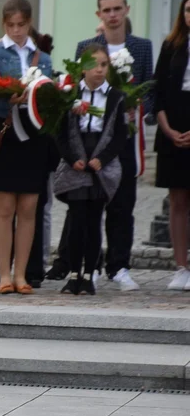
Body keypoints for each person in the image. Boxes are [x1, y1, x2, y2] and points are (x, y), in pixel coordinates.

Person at [49, 0, 154, 291]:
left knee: (122, 204)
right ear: (99, 14)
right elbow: (73, 91)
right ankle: (83, 268)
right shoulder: (87, 47)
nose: (112, 15)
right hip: (86, 142)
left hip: (122, 139)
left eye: (117, 9)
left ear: (126, 10)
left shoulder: (142, 47)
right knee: (84, 209)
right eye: (106, 10)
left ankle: (119, 265)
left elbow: (149, 87)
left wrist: (141, 110)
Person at [0, 0, 55, 295]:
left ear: (29, 23)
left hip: (34, 137)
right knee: (4, 208)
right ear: (3, 24)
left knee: (28, 208)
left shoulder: (42, 57)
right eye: (10, 25)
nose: (16, 30)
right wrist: (6, 99)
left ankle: (22, 273)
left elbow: (48, 95)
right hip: (6, 133)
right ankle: (2, 274)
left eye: (21, 25)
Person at [53, 44, 127, 296]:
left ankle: (88, 275)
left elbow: (119, 135)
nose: (99, 69)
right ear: (82, 68)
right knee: (76, 220)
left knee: (94, 221)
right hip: (77, 160)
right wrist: (72, 158)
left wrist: (103, 159)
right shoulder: (70, 94)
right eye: (93, 65)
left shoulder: (116, 97)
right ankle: (73, 273)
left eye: (104, 65)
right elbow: (60, 133)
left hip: (99, 163)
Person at [153, 0, 190, 291]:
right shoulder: (171, 45)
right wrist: (167, 130)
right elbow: (158, 92)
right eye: (188, 10)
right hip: (173, 132)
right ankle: (181, 267)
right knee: (177, 200)